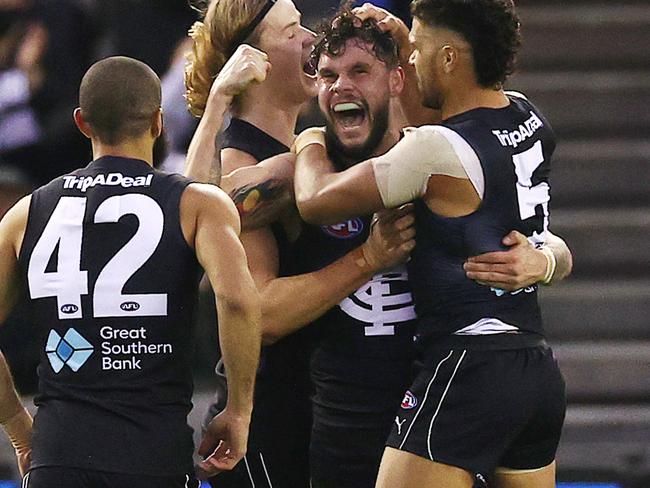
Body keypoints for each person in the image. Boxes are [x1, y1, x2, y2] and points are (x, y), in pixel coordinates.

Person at [293, 1, 568, 487]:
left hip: (469, 366)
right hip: (535, 369)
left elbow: (316, 201)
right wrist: (545, 261)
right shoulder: (528, 117)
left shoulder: (433, 149)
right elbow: (552, 245)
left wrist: (309, 142)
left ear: (447, 59)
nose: (410, 62)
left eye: (416, 51)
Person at [0, 56, 261, 488]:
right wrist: (239, 409)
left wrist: (17, 425)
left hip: (58, 457)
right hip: (153, 456)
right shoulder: (198, 205)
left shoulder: (27, 213)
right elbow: (236, 299)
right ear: (158, 122)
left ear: (82, 124)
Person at [184, 1, 416, 486]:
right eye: (293, 31)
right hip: (267, 422)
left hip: (321, 411)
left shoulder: (310, 148)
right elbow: (261, 314)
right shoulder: (256, 161)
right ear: (253, 61)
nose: (312, 40)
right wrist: (368, 258)